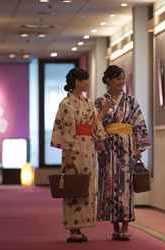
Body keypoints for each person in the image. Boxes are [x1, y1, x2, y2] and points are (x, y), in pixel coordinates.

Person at [50, 68, 107, 243]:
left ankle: (81, 226)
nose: (87, 83)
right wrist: (67, 153)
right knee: (74, 186)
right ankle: (73, 229)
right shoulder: (66, 104)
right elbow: (66, 129)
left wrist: (100, 142)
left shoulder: (87, 102)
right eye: (84, 80)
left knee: (86, 186)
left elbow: (95, 124)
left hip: (88, 148)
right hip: (73, 150)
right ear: (76, 82)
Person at [95, 65, 150, 240]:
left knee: (126, 187)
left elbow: (139, 124)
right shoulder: (100, 102)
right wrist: (103, 113)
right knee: (110, 186)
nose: (122, 82)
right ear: (109, 81)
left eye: (123, 78)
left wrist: (138, 147)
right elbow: (95, 125)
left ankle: (125, 224)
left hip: (127, 148)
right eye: (118, 78)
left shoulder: (131, 102)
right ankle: (115, 225)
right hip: (108, 149)